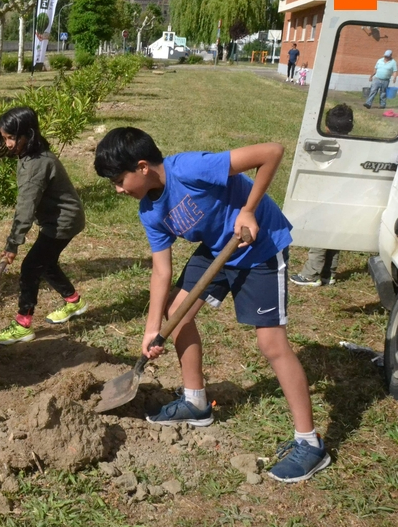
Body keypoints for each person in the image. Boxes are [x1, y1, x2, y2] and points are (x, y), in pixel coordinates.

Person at [93, 128, 331, 483]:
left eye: (118, 179)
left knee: (271, 344)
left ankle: (309, 443)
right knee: (177, 312)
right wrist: (151, 326)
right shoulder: (150, 212)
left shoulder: (190, 169)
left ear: (142, 167)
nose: (117, 189)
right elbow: (161, 270)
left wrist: (248, 210)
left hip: (260, 244)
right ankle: (195, 402)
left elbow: (272, 151)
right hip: (219, 249)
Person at [0, 107, 87, 346]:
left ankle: (23, 325)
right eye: (4, 138)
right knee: (45, 263)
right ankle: (74, 302)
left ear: (28, 135)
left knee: (31, 267)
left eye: (12, 138)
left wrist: (13, 244)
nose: (8, 144)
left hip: (63, 221)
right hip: (61, 218)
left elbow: (25, 209)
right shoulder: (32, 155)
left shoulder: (36, 164)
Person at [290, 103, 354, 287]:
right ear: (351, 127)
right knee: (334, 235)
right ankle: (329, 274)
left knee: (318, 237)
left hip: (326, 199)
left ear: (326, 127)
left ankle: (311, 274)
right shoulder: (354, 147)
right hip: (345, 200)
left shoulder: (325, 146)